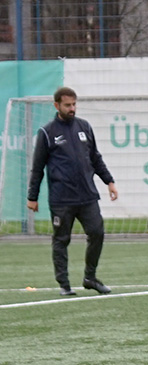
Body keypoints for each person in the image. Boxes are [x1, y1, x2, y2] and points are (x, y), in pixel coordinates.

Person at [27, 87, 118, 296]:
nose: (72, 109)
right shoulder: (47, 133)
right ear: (56, 105)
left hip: (87, 196)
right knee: (61, 240)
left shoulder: (84, 127)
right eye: (68, 105)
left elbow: (95, 158)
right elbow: (37, 167)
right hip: (62, 199)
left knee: (97, 232)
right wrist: (32, 197)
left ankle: (90, 278)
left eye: (74, 104)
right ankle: (64, 284)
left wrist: (109, 181)